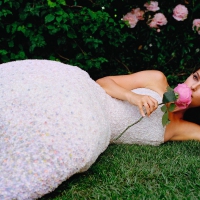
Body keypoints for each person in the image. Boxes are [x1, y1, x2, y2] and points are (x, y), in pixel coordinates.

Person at [0, 59, 199, 199]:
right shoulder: (156, 79)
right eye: (196, 78)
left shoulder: (180, 128)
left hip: (95, 129)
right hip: (91, 99)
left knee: (71, 147)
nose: (192, 87)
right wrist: (133, 97)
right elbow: (103, 82)